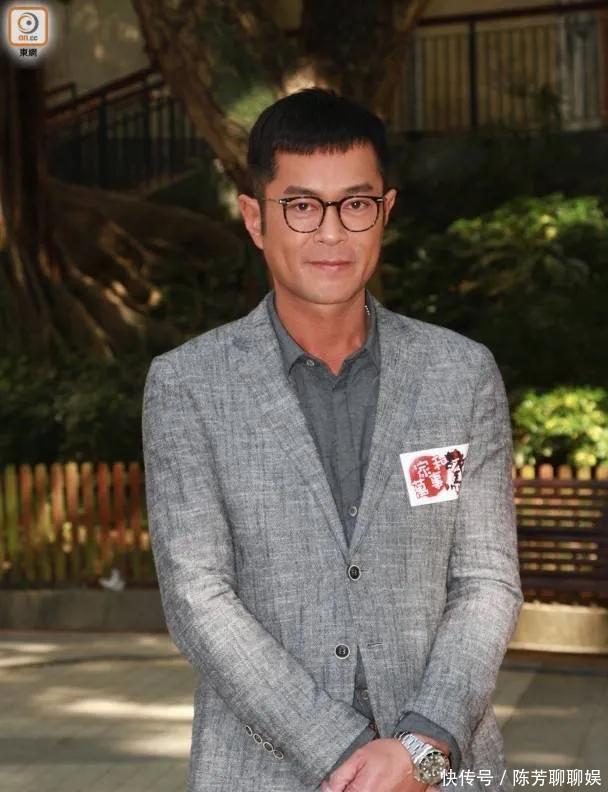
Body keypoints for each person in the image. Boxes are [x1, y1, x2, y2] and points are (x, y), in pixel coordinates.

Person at [142, 88, 523, 792]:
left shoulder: (460, 373)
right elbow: (198, 598)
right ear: (255, 218)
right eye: (301, 206)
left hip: (442, 769)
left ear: (386, 211)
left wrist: (421, 751)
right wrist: (341, 751)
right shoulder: (188, 386)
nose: (331, 233)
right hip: (260, 772)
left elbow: (486, 582)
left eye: (355, 204)